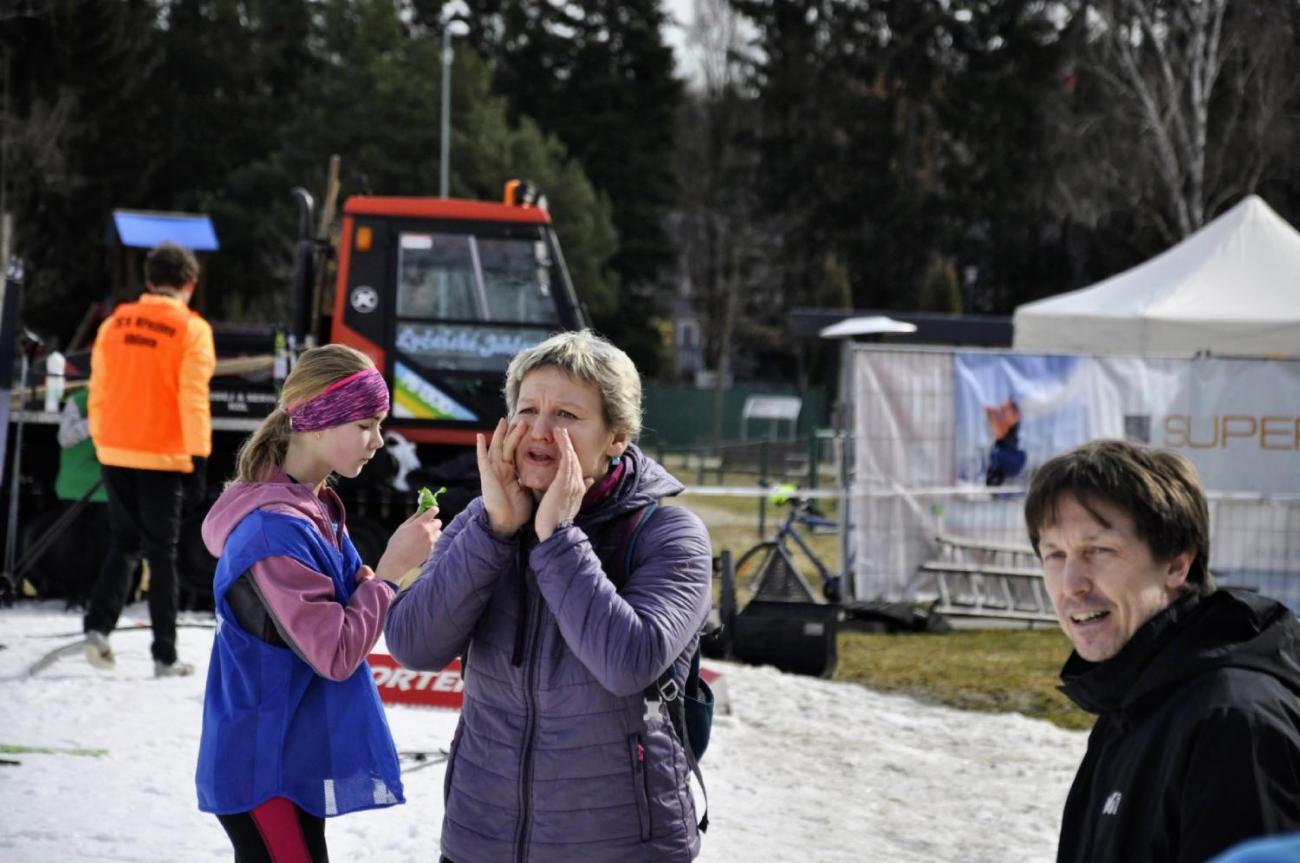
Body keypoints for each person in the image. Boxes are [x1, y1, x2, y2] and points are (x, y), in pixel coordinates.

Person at [385, 329, 713, 863]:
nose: (538, 430)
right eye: (527, 409)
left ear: (616, 437)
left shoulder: (669, 535)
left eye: (565, 415)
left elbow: (627, 663)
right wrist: (493, 534)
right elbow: (411, 644)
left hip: (622, 847)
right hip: (480, 839)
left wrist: (557, 538)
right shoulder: (486, 521)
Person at [195, 343, 441, 862]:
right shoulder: (274, 528)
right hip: (264, 766)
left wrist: (376, 582)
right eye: (366, 425)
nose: (378, 441)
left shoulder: (312, 504)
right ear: (317, 422)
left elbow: (341, 606)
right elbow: (334, 653)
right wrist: (393, 570)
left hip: (290, 752)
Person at [1024, 439, 1300, 863]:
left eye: (1099, 551)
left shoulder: (1232, 723)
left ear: (1176, 565)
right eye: (1055, 555)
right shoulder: (1129, 703)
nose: (1071, 584)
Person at [84, 241, 216, 676]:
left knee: (123, 545)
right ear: (190, 285)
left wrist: (102, 440)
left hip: (115, 449)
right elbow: (192, 398)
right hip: (164, 456)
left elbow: (98, 389)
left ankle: (98, 629)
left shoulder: (114, 323)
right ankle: (164, 655)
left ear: (148, 280)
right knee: (162, 554)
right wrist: (198, 457)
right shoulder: (192, 330)